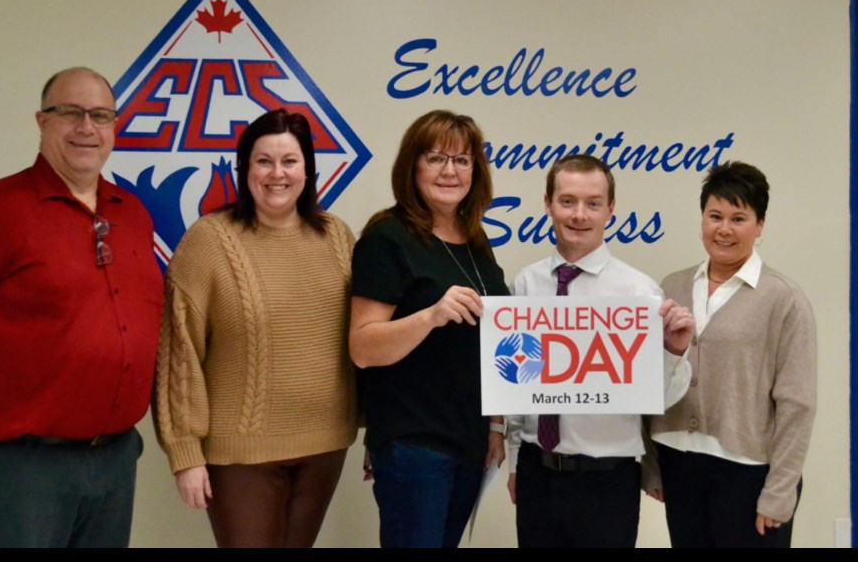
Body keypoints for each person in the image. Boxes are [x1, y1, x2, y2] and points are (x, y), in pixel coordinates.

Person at [0, 67, 163, 547]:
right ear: (42, 122)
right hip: (20, 468)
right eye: (71, 113)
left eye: (100, 115)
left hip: (114, 462)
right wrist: (0, 375)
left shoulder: (132, 213)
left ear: (114, 128)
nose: (87, 127)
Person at [154, 108, 358, 548]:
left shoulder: (338, 237)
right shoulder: (209, 240)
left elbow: (362, 338)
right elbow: (180, 351)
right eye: (263, 161)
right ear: (243, 169)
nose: (276, 174)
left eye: (290, 161)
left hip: (325, 444)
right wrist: (185, 452)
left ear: (308, 170)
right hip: (240, 456)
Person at [505, 153, 695, 548]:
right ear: (547, 204)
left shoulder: (639, 293)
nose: (579, 214)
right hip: (536, 471)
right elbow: (517, 387)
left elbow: (656, 399)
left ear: (611, 209)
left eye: (593, 203)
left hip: (607, 481)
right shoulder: (526, 284)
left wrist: (674, 353)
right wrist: (513, 460)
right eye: (567, 201)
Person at [349, 110, 508, 548]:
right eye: (436, 157)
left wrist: (496, 426)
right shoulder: (388, 237)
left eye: (462, 160)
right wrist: (431, 316)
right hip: (415, 442)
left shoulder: (475, 239)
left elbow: (489, 343)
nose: (449, 171)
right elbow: (362, 346)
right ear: (412, 166)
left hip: (469, 441)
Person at [645, 161, 816, 548]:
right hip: (679, 463)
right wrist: (653, 466)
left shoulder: (784, 298)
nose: (724, 229)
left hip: (748, 473)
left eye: (739, 218)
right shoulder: (672, 286)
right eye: (714, 216)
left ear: (760, 226)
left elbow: (797, 404)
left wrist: (780, 491)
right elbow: (648, 380)